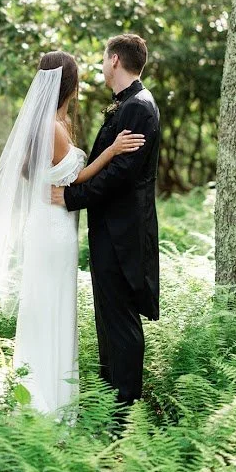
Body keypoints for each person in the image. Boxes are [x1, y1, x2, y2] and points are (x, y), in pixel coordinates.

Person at [0, 50, 144, 419]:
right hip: (52, 228)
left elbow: (49, 175)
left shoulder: (56, 122)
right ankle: (44, 403)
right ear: (71, 82)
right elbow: (76, 178)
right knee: (48, 306)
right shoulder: (51, 127)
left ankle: (48, 395)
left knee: (54, 305)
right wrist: (112, 151)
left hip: (56, 225)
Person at [52, 34, 160, 408]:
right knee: (108, 318)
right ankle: (110, 401)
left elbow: (121, 174)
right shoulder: (126, 105)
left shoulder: (139, 108)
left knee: (121, 320)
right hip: (110, 232)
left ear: (115, 60)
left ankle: (125, 412)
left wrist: (70, 197)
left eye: (102, 59)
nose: (100, 66)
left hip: (124, 234)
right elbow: (109, 166)